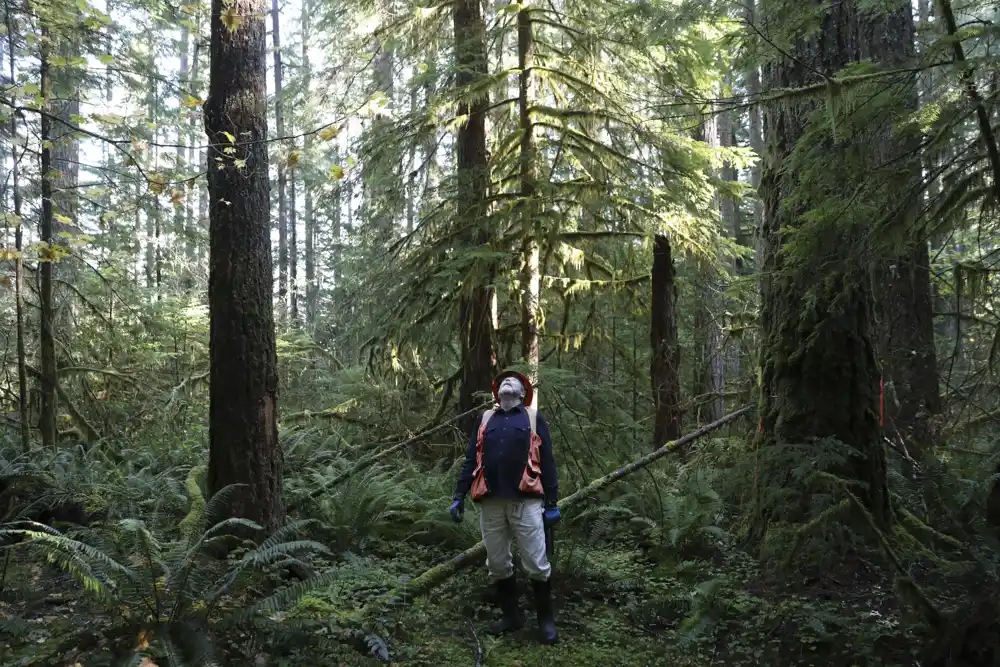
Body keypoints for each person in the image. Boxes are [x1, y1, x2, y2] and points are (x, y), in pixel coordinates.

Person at [449, 370, 560, 645]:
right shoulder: (485, 419)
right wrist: (458, 495)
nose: (508, 382)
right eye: (503, 381)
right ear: (496, 392)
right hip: (491, 502)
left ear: (523, 393)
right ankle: (511, 616)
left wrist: (552, 503)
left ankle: (546, 621)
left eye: (515, 381)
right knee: (497, 563)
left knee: (535, 562)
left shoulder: (534, 418)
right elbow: (469, 459)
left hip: (527, 502)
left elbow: (547, 461)